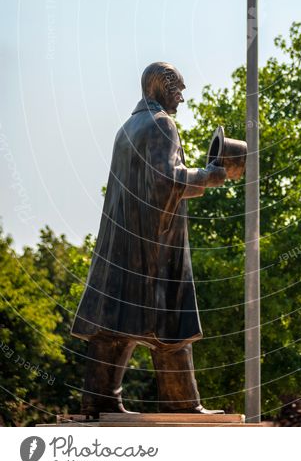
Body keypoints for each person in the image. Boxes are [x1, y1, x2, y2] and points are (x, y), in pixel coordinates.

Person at [71, 61, 227, 417]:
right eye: (178, 90)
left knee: (114, 323)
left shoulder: (126, 129)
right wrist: (209, 176)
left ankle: (99, 400)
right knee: (172, 321)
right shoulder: (161, 125)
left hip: (121, 245)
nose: (182, 99)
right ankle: (182, 403)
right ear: (160, 88)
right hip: (154, 246)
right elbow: (165, 180)